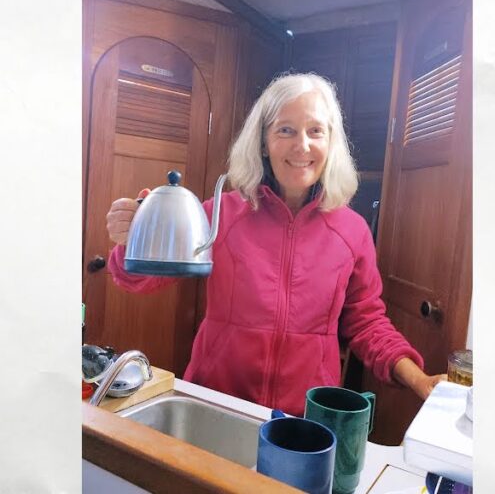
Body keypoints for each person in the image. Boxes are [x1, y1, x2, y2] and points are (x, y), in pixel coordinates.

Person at [104, 72, 444, 416]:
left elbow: (367, 322)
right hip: (216, 403)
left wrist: (418, 379)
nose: (302, 145)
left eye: (315, 131)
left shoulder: (352, 232)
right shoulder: (222, 213)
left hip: (303, 419)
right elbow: (146, 278)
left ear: (331, 143)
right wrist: (131, 241)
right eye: (285, 130)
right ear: (263, 142)